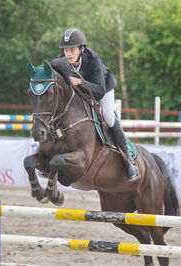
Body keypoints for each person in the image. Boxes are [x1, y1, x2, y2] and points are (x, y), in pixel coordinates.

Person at [57, 28, 138, 181]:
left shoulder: (93, 58)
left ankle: (129, 161)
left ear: (81, 49)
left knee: (107, 116)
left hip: (103, 88)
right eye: (66, 50)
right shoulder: (61, 61)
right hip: (82, 91)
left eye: (72, 50)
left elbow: (99, 91)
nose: (68, 54)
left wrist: (79, 81)